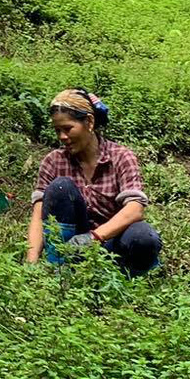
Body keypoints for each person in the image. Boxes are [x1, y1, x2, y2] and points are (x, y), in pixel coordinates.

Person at [25, 88, 161, 277]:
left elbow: (135, 208)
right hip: (72, 248)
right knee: (60, 187)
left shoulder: (121, 157)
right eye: (57, 131)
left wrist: (94, 237)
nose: (62, 137)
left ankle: (128, 278)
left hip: (111, 240)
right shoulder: (53, 161)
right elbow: (38, 215)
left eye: (68, 128)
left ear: (89, 122)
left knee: (144, 237)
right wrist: (30, 262)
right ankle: (59, 270)